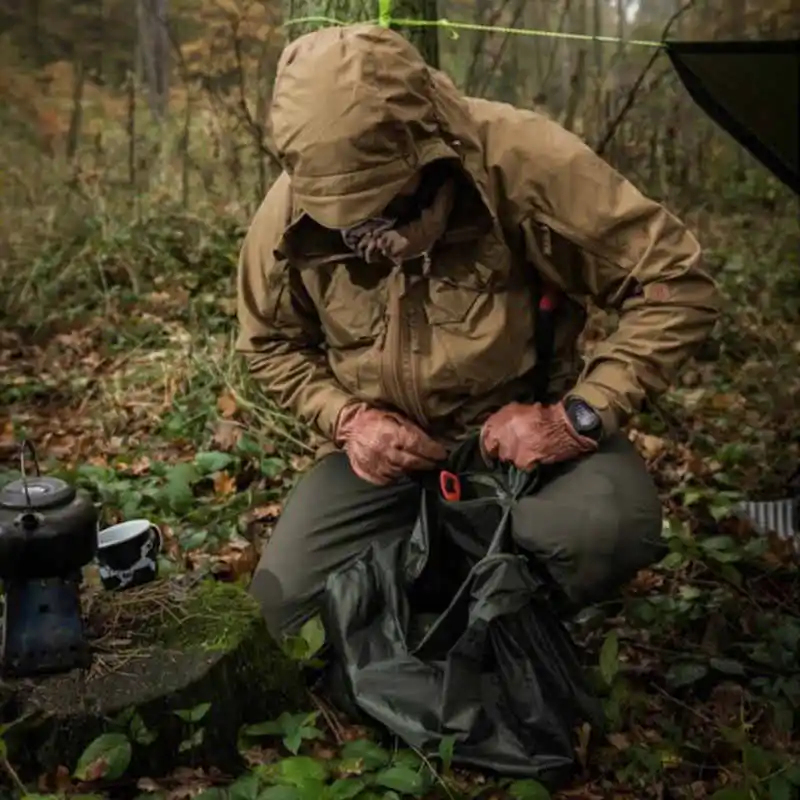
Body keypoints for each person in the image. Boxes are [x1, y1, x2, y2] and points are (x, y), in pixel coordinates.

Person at [236, 23, 720, 639]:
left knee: (607, 531)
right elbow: (268, 343)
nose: (364, 226)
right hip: (384, 462)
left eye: (380, 199)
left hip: (522, 447)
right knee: (282, 621)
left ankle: (508, 606)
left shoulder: (520, 162)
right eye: (345, 214)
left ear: (422, 149)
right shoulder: (289, 214)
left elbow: (675, 280)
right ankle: (443, 583)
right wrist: (347, 420)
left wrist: (577, 418)